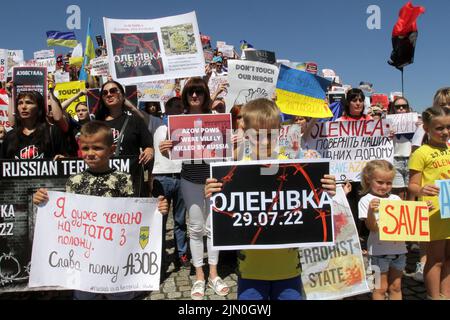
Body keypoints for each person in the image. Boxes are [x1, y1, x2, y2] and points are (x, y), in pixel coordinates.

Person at [205, 99, 337, 300]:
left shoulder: (294, 167)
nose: (265, 142)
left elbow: (314, 206)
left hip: (288, 270)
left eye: (270, 135)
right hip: (251, 271)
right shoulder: (234, 172)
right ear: (245, 132)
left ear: (279, 130)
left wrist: (327, 189)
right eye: (257, 136)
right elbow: (223, 213)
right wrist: (213, 191)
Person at [32, 121, 169, 300]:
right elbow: (64, 218)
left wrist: (156, 209)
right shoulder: (74, 181)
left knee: (120, 297)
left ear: (112, 150)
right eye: (85, 148)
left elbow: (134, 214)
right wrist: (41, 200)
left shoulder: (123, 179)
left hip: (116, 260)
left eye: (97, 148)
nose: (90, 153)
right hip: (83, 262)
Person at [159, 77, 229, 300]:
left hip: (214, 180)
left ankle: (214, 273)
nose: (195, 96)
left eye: (199, 92)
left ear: (206, 95)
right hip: (190, 180)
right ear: (186, 97)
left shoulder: (217, 119)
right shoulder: (178, 121)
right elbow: (170, 154)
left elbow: (227, 149)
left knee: (214, 228)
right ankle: (200, 274)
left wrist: (233, 142)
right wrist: (164, 149)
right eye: (191, 93)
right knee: (196, 228)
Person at [408, 106, 450, 300]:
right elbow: (413, 186)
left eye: (448, 127)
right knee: (435, 259)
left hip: (449, 210)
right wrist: (422, 190)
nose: (445, 132)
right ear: (426, 128)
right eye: (439, 128)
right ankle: (434, 296)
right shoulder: (421, 153)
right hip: (434, 212)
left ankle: (446, 294)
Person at [149, 97, 189, 269]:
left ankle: (182, 255)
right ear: (168, 107)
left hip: (182, 177)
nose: (181, 109)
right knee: (160, 221)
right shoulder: (156, 123)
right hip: (161, 177)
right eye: (178, 106)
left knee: (180, 220)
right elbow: (136, 111)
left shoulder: (188, 126)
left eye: (182, 106)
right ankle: (159, 256)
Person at [95, 80, 154, 196]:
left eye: (113, 91)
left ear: (122, 96)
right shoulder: (97, 124)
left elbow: (148, 145)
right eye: (105, 93)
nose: (109, 94)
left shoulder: (135, 121)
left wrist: (149, 151)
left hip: (131, 181)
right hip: (104, 182)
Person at [358, 160, 407, 300]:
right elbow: (371, 227)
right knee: (380, 288)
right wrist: (371, 212)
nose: (384, 186)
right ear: (368, 180)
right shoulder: (366, 200)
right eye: (380, 182)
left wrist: (422, 210)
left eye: (389, 183)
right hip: (378, 253)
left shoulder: (396, 198)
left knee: (396, 287)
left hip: (399, 251)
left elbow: (406, 222)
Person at [1, 91, 66, 159]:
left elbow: (68, 160)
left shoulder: (52, 132)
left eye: (29, 102)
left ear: (39, 107)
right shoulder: (10, 137)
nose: (23, 107)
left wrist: (63, 159)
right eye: (20, 103)